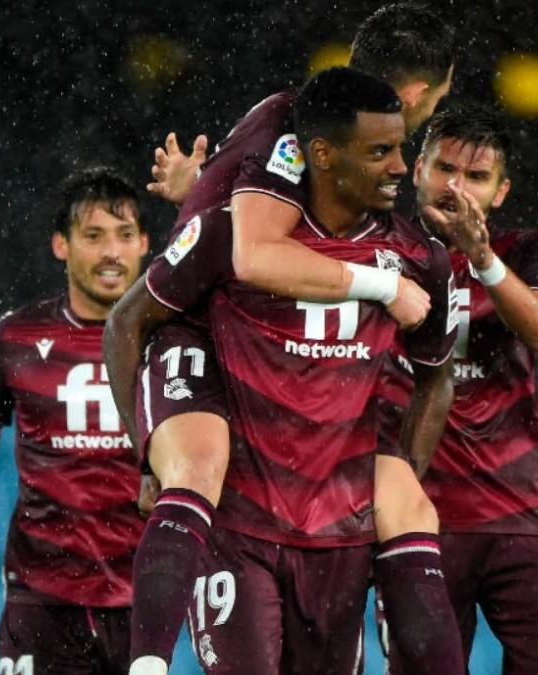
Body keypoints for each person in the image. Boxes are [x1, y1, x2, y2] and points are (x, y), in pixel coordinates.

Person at [105, 6, 462, 673]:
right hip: (210, 327)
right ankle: (147, 662)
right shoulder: (292, 133)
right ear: (416, 95)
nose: (403, 158)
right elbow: (254, 257)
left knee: (403, 498)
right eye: (438, 101)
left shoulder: (322, 145)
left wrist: (197, 193)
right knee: (202, 463)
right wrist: (383, 286)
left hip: (293, 357)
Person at [376, 104, 538, 673]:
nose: (455, 187)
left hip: (518, 510)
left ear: (501, 192)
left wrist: (481, 257)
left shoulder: (529, 251)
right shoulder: (372, 251)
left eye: (475, 177)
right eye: (444, 168)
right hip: (416, 518)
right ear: (417, 168)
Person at [0, 167, 149, 674]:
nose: (111, 253)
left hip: (144, 593)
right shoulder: (15, 338)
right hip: (42, 593)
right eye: (93, 236)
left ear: (144, 243)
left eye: (124, 236)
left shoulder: (175, 341)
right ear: (61, 245)